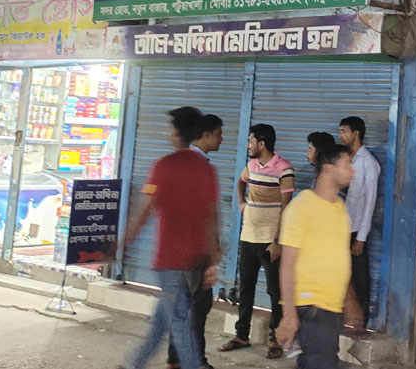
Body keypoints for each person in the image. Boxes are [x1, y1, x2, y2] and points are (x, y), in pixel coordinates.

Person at [119, 109, 223, 369]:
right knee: (166, 319)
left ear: (176, 131)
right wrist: (213, 260)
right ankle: (133, 364)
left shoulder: (164, 165)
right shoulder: (207, 170)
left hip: (169, 258)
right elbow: (212, 217)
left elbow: (145, 209)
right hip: (195, 257)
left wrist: (124, 242)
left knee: (178, 321)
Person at [275, 144, 355, 369]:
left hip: (330, 308)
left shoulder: (340, 207)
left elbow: (339, 257)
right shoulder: (301, 208)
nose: (353, 171)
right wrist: (289, 315)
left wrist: (349, 301)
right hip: (311, 307)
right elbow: (287, 265)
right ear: (329, 168)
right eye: (347, 164)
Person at [219, 124, 295, 359]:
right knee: (246, 287)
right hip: (248, 237)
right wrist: (242, 203)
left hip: (270, 241)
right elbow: (240, 181)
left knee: (275, 291)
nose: (247, 144)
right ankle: (242, 335)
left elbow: (287, 209)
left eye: (251, 140)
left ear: (262, 143)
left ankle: (276, 339)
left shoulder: (284, 169)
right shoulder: (251, 166)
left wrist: (277, 241)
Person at [165, 112, 223, 369]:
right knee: (198, 306)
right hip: (194, 250)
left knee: (183, 306)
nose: (222, 139)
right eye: (219, 134)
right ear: (206, 134)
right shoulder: (198, 167)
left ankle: (176, 359)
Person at [337, 116, 379, 334]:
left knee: (359, 278)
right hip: (338, 229)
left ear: (356, 133)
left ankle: (359, 324)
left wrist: (361, 238)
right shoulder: (342, 160)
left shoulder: (368, 163)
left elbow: (370, 202)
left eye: (344, 131)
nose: (340, 136)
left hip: (355, 231)